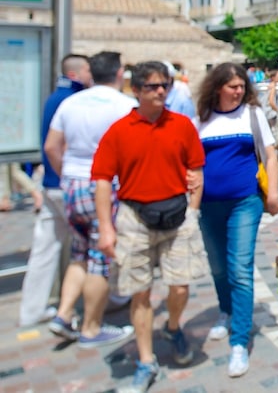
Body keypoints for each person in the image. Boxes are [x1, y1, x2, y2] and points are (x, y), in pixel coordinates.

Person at [93, 61, 207, 392]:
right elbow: (102, 180)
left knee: (181, 285)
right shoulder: (119, 130)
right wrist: (106, 228)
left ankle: (173, 326)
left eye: (164, 85)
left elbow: (196, 169)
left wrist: (193, 210)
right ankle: (146, 359)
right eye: (152, 86)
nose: (160, 91)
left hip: (176, 213)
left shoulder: (182, 125)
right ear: (136, 89)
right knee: (139, 292)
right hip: (134, 216)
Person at [43, 51, 136, 347]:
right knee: (100, 257)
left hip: (71, 182)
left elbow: (51, 147)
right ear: (119, 73)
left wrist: (66, 175)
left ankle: (64, 313)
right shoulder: (125, 106)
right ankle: (91, 327)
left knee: (79, 252)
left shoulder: (70, 103)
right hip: (104, 186)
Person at [195, 62, 278, 379]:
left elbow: (271, 156)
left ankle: (239, 341)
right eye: (233, 86)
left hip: (245, 202)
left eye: (242, 85)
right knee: (217, 265)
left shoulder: (253, 115)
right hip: (208, 205)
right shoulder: (201, 119)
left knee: (240, 268)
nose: (239, 91)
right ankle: (226, 310)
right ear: (217, 87)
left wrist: (273, 193)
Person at [18, 54, 91, 327]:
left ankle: (31, 310)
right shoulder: (73, 101)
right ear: (75, 73)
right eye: (86, 70)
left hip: (50, 184)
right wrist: (66, 177)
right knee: (90, 246)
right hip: (68, 185)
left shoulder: (53, 98)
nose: (90, 74)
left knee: (44, 249)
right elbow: (53, 146)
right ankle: (105, 301)